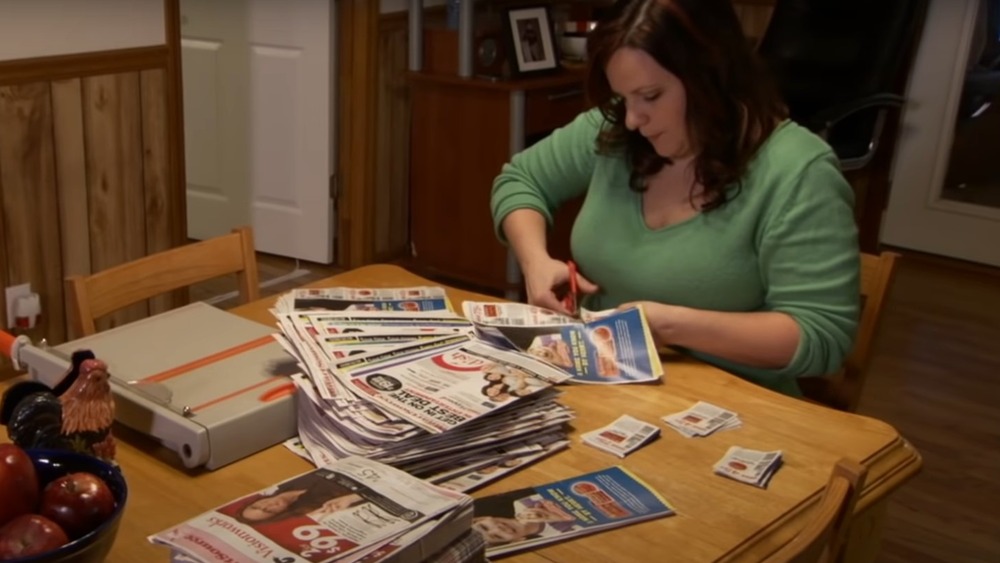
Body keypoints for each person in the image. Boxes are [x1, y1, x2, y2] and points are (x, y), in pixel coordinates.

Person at [490, 0, 860, 397]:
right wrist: (535, 262)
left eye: (650, 95)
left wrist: (670, 325)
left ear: (711, 75)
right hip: (610, 389)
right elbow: (521, 180)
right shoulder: (615, 129)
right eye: (624, 97)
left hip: (739, 406)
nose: (633, 118)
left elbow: (822, 337)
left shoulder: (797, 171)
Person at [233, 470, 365, 525]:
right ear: (280, 514)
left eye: (256, 506)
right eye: (269, 511)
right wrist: (352, 498)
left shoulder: (284, 484)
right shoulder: (318, 506)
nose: (266, 505)